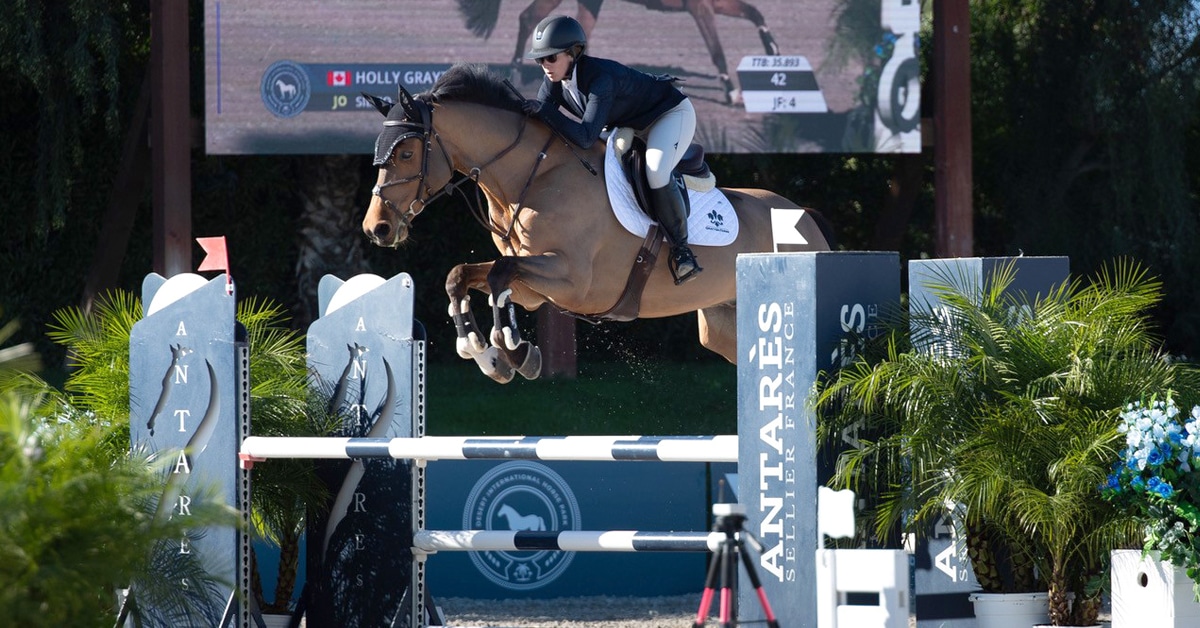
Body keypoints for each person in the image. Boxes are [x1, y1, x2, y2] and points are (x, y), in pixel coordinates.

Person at [520, 15, 702, 285]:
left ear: (573, 53)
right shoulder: (554, 83)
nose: (544, 65)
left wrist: (544, 111)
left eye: (551, 58)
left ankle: (682, 251)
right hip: (629, 124)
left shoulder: (600, 78)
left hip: (668, 116)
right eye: (539, 60)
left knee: (655, 170)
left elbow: (584, 136)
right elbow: (541, 122)